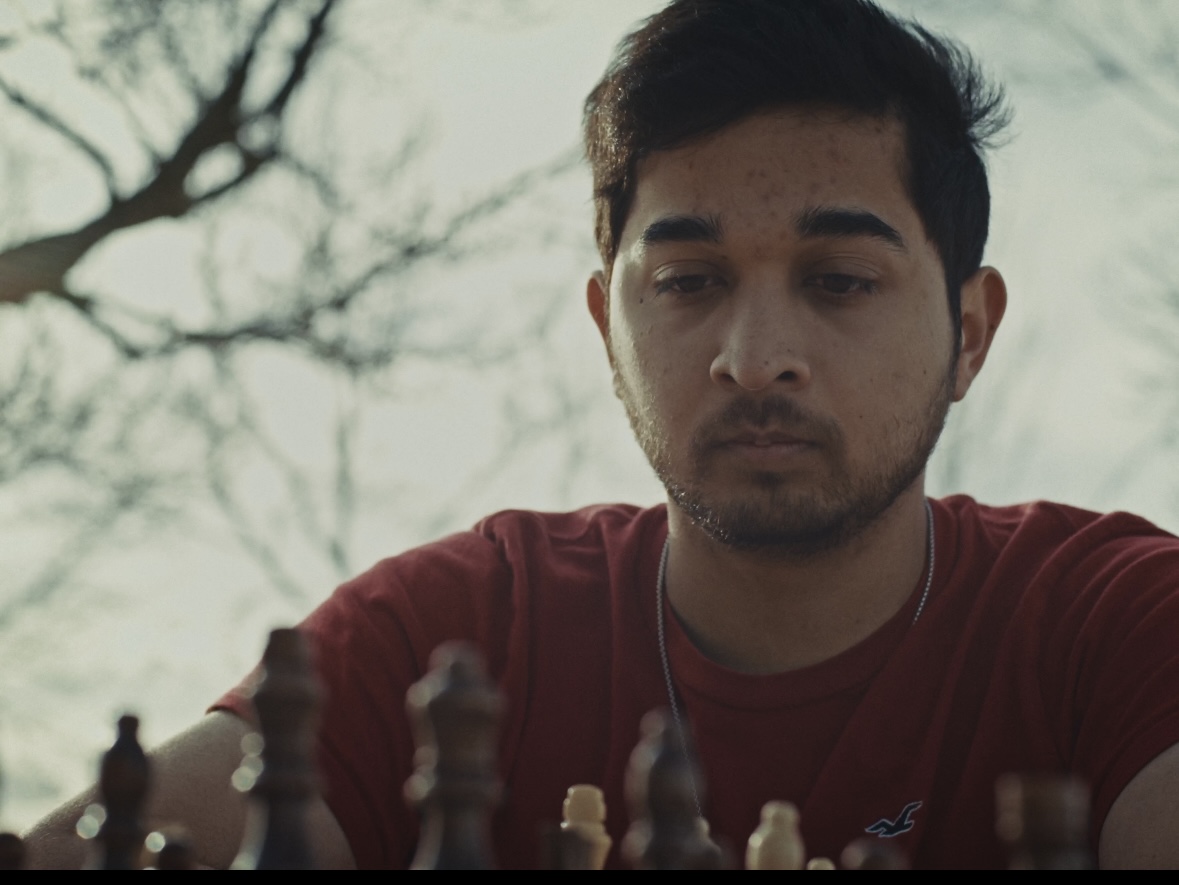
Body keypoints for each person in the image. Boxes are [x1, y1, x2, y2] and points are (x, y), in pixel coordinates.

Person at [24, 0, 1179, 869]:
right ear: (605, 327)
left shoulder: (1118, 624)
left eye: (838, 280)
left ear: (970, 333)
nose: (754, 356)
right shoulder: (451, 637)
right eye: (687, 282)